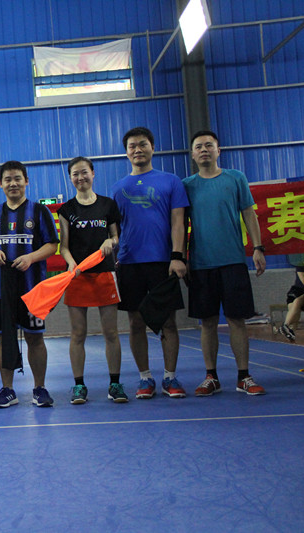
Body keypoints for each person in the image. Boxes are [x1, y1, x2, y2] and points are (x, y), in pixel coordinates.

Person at [183, 130, 266, 395]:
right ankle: (211, 377)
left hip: (233, 261)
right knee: (207, 322)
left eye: (209, 145)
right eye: (199, 146)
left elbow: (249, 214)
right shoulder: (186, 185)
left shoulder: (236, 178)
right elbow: (179, 225)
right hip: (200, 264)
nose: (204, 150)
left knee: (236, 320)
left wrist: (258, 248)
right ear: (193, 154)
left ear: (218, 151)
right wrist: (180, 257)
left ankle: (244, 376)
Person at [112, 127, 189, 399]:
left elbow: (178, 222)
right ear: (126, 152)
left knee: (168, 322)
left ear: (152, 148)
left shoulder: (171, 181)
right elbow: (115, 231)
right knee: (135, 322)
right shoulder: (118, 188)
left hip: (163, 263)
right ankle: (145, 378)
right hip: (129, 264)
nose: (137, 150)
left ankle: (170, 377)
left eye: (142, 144)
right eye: (132, 146)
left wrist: (177, 256)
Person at [0, 160, 59, 408]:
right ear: (0, 184)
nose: (13, 183)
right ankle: (7, 390)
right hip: (2, 290)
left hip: (33, 289)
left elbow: (52, 244)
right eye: (8, 179)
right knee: (5, 338)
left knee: (35, 338)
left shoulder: (40, 212)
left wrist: (31, 257)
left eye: (17, 178)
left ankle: (40, 388)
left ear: (26, 181)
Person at [57, 157, 128, 404]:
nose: (80, 177)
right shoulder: (66, 210)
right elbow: (63, 246)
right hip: (78, 276)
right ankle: (79, 386)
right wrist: (71, 263)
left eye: (84, 172)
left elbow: (116, 237)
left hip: (105, 274)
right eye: (75, 174)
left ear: (93, 173)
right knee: (78, 333)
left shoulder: (108, 205)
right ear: (70, 178)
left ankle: (115, 384)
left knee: (111, 332)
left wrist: (111, 241)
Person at [280, 254, 304, 342]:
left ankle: (286, 328)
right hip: (297, 291)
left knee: (298, 302)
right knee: (294, 305)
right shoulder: (300, 266)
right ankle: (287, 327)